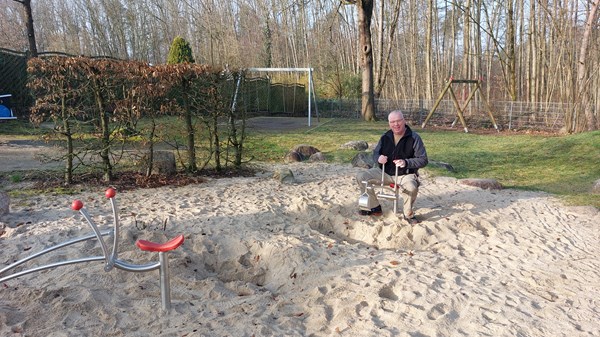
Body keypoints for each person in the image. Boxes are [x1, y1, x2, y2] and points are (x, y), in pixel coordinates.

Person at [356, 110, 428, 224]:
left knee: (411, 186)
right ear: (389, 123)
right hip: (385, 172)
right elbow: (375, 153)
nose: (396, 124)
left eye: (399, 120)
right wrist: (378, 158)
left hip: (405, 174)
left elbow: (423, 160)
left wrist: (406, 162)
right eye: (392, 122)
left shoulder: (414, 138)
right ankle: (375, 207)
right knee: (361, 176)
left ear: (404, 121)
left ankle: (407, 213)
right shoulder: (385, 137)